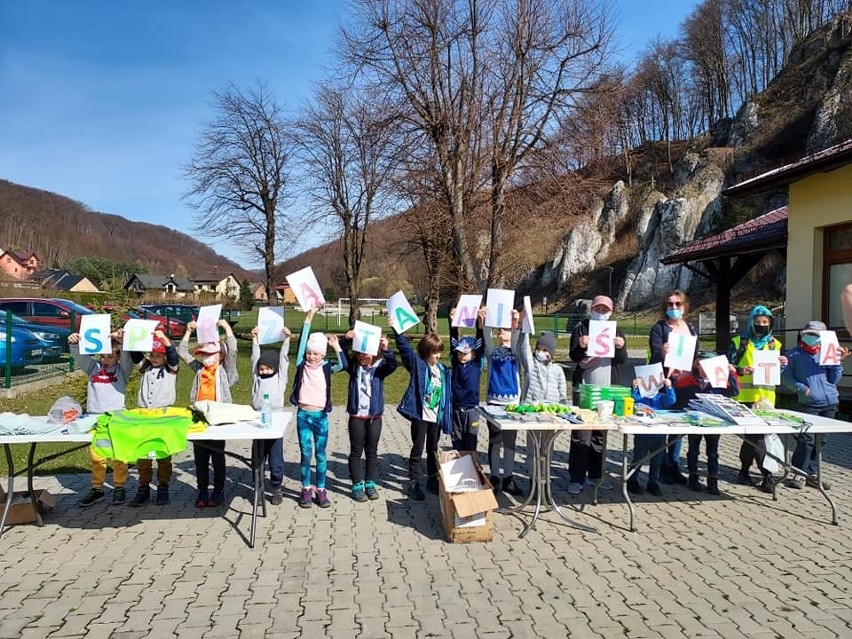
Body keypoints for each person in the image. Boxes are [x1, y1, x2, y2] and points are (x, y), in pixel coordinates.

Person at [567, 295, 627, 495]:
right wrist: (581, 345)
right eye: (598, 309)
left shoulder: (616, 330)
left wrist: (620, 346)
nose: (601, 313)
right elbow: (573, 355)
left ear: (611, 312)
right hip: (585, 387)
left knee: (600, 435)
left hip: (606, 389)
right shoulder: (581, 328)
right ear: (591, 309)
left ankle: (596, 476)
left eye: (605, 310)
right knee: (581, 434)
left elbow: (622, 359)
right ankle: (576, 478)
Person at [289, 307, 346, 509]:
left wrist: (337, 347)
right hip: (303, 415)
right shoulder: (301, 364)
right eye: (309, 353)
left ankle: (321, 489)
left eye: (316, 353)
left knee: (320, 455)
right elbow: (303, 340)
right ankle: (306, 488)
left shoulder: (327, 367)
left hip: (320, 416)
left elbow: (344, 365)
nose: (312, 356)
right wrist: (309, 317)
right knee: (306, 453)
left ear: (322, 354)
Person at [69, 329, 133, 507]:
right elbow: (80, 357)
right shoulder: (93, 368)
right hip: (95, 419)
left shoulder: (123, 370)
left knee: (119, 455)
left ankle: (119, 487)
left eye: (111, 356)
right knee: (97, 456)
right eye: (103, 356)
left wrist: (121, 341)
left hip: (117, 417)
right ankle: (97, 488)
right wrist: (74, 343)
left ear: (118, 356)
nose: (106, 360)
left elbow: (127, 358)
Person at [782, 321, 850, 490]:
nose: (812, 338)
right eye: (809, 334)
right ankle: (799, 472)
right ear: (803, 335)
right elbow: (786, 377)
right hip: (809, 404)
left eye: (816, 335)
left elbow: (834, 379)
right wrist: (801, 388)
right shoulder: (794, 354)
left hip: (830, 403)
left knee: (822, 441)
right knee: (806, 440)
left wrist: (838, 362)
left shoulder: (827, 353)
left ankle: (812, 473)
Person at [179, 318, 238, 508]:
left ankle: (219, 491)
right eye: (203, 354)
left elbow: (234, 350)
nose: (206, 357)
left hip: (218, 419)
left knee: (217, 457)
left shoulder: (225, 371)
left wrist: (227, 328)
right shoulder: (198, 370)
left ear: (221, 356)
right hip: (199, 419)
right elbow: (182, 352)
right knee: (200, 458)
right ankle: (202, 490)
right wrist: (188, 331)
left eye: (210, 354)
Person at [728, 305, 787, 493]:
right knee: (755, 437)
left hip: (766, 399)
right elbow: (727, 365)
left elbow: (777, 372)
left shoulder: (774, 344)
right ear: (752, 321)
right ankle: (767, 475)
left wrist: (783, 365)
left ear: (770, 323)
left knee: (755, 437)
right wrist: (740, 370)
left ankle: (745, 470)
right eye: (758, 321)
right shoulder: (740, 342)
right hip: (744, 398)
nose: (761, 325)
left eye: (765, 322)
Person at [394, 317, 453, 501]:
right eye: (434, 352)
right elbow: (405, 351)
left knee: (433, 448)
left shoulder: (443, 369)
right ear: (426, 352)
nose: (437, 356)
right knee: (417, 448)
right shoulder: (419, 365)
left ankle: (432, 478)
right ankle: (414, 481)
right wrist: (397, 330)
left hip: (436, 416)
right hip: (421, 415)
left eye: (439, 352)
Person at [340, 328, 398, 502]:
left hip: (374, 418)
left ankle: (370, 483)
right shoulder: (353, 367)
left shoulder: (379, 369)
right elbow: (342, 358)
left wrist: (387, 349)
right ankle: (357, 484)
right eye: (359, 354)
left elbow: (392, 365)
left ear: (374, 353)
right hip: (357, 417)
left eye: (366, 354)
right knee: (356, 451)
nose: (362, 357)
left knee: (372, 452)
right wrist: (346, 340)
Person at [672, 352, 740, 495]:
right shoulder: (688, 379)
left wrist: (731, 374)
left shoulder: (719, 381)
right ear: (697, 364)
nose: (705, 367)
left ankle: (712, 479)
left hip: (713, 421)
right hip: (694, 421)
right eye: (702, 364)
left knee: (713, 451)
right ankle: (693, 477)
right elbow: (677, 396)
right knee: (693, 450)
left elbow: (734, 391)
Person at [648, 289, 697, 486]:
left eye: (678, 304)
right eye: (670, 304)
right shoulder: (659, 328)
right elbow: (653, 354)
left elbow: (695, 355)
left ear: (684, 306)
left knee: (677, 427)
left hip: (685, 383)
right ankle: (659, 467)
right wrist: (662, 351)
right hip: (664, 384)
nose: (674, 307)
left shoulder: (691, 328)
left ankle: (673, 465)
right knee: (662, 424)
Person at [128, 329, 179, 506]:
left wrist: (165, 339)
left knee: (163, 453)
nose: (155, 357)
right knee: (143, 454)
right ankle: (143, 487)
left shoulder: (171, 370)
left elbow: (173, 355)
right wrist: (131, 336)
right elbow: (135, 355)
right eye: (152, 354)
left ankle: (163, 486)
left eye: (159, 355)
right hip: (144, 415)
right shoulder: (146, 367)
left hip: (162, 415)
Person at [483, 308, 524, 495]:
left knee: (510, 442)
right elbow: (486, 336)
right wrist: (487, 319)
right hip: (493, 402)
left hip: (512, 403)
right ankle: (494, 475)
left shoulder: (515, 352)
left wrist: (516, 322)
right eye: (499, 329)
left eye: (505, 329)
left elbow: (518, 340)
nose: (501, 332)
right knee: (495, 441)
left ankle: (508, 476)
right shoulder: (493, 352)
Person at [250, 324, 291, 505]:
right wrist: (255, 339)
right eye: (262, 368)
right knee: (257, 458)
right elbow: (254, 359)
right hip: (258, 421)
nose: (264, 371)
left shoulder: (280, 378)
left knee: (275, 458)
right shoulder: (257, 378)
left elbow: (283, 360)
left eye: (268, 369)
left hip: (275, 422)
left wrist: (287, 339)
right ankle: (258, 487)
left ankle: (276, 488)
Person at [628, 377, 676, 496]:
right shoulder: (640, 396)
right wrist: (633, 388)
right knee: (639, 458)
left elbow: (672, 400)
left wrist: (669, 387)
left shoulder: (660, 397)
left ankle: (653, 482)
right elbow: (631, 400)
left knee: (657, 460)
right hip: (642, 434)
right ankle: (632, 480)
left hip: (659, 434)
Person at [448, 307, 486, 453]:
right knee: (457, 442)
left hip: (472, 409)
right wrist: (453, 323)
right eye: (459, 353)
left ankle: (471, 470)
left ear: (474, 354)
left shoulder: (476, 364)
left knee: (470, 442)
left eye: (465, 353)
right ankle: (458, 469)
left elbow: (480, 344)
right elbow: (453, 343)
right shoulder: (456, 363)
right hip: (456, 408)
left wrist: (480, 325)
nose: (461, 356)